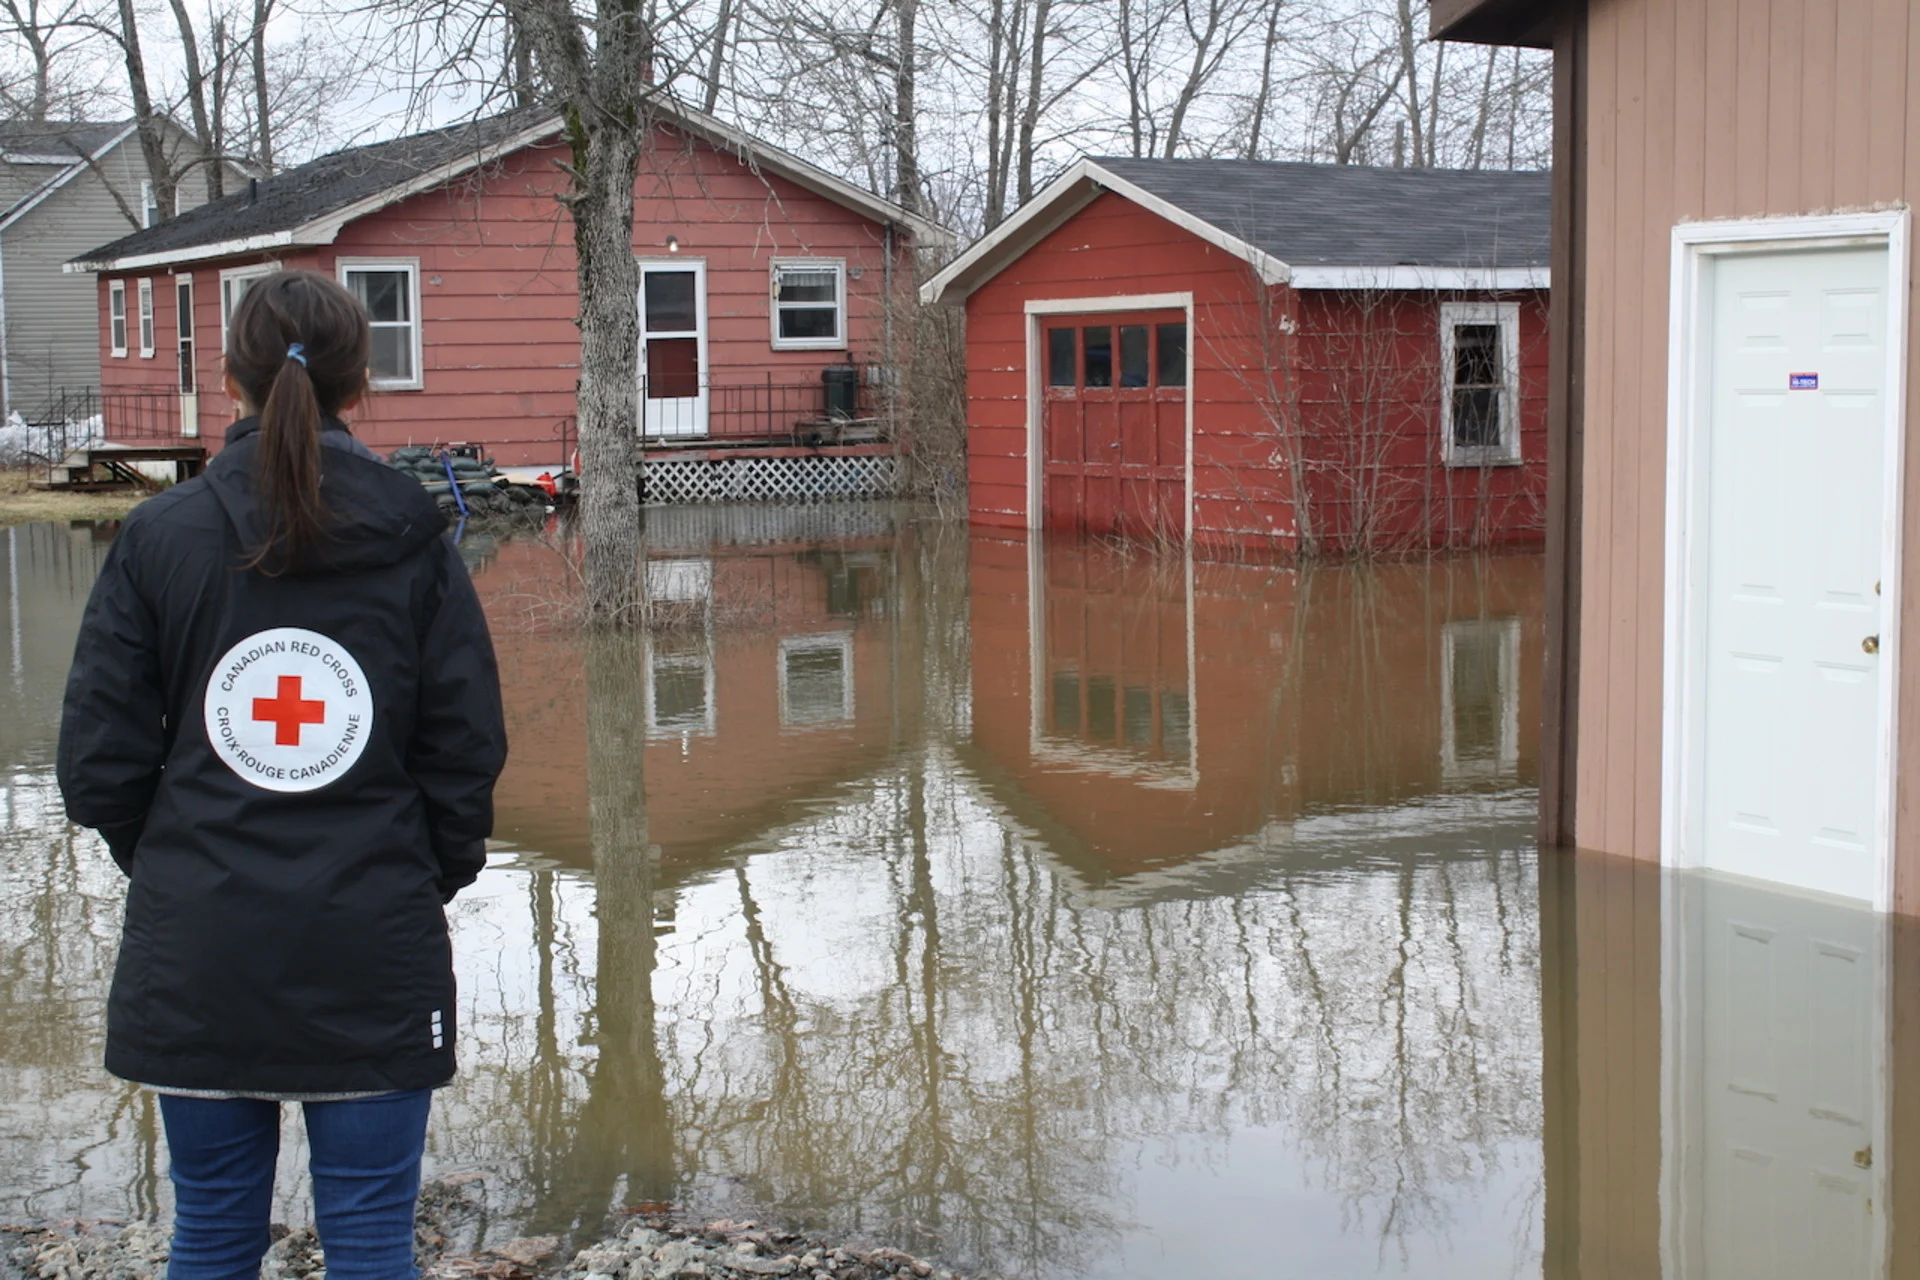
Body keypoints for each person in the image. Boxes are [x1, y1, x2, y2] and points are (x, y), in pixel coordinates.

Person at [57, 269, 508, 1280]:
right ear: (364, 386)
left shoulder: (156, 539)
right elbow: (465, 751)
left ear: (228, 380)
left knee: (212, 1238)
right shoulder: (414, 536)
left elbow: (97, 766)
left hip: (201, 946)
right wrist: (407, 874)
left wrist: (176, 862)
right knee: (371, 1243)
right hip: (370, 943)